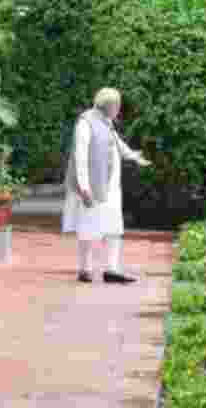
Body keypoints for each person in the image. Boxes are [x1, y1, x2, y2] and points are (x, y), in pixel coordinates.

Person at [62, 87, 152, 284]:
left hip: (109, 186)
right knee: (87, 227)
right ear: (107, 105)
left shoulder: (106, 121)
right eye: (116, 105)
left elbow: (117, 143)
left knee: (114, 227)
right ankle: (85, 269)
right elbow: (80, 157)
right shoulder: (85, 123)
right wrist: (84, 188)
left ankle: (111, 269)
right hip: (92, 186)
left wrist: (135, 157)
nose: (118, 109)